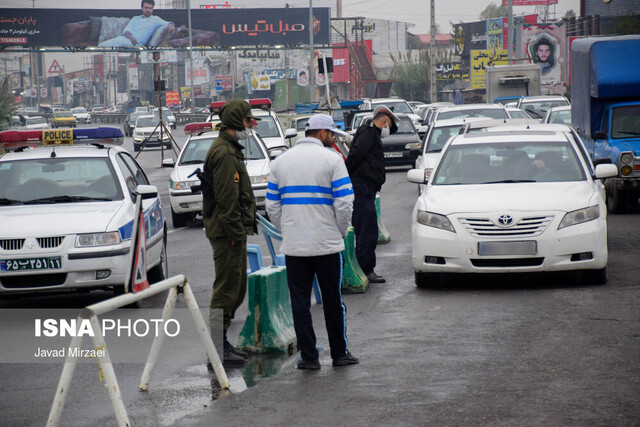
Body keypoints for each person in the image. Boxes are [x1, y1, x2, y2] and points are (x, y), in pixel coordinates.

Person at [266, 114, 358, 370]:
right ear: (321, 134)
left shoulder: (280, 162)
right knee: (332, 301)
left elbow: (272, 205)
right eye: (331, 135)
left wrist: (288, 231)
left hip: (295, 247)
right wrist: (340, 232)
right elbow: (344, 203)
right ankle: (339, 354)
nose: (333, 139)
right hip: (327, 245)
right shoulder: (333, 159)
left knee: (300, 302)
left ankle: (309, 358)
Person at [203, 99, 259, 365]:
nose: (252, 125)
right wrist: (237, 232)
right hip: (228, 233)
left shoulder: (231, 149)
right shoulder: (225, 153)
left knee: (236, 288)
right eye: (249, 121)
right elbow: (227, 201)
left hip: (233, 231)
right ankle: (216, 348)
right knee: (226, 289)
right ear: (237, 122)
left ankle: (221, 341)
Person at [345, 105, 398, 284]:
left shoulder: (370, 133)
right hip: (362, 188)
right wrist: (348, 176)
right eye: (389, 125)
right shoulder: (368, 133)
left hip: (365, 187)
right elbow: (355, 155)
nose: (388, 129)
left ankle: (365, 268)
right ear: (384, 121)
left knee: (368, 230)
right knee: (366, 231)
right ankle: (365, 270)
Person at [99, 0, 175, 47]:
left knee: (101, 45)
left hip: (137, 43)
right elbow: (126, 31)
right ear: (142, 8)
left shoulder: (155, 19)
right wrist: (131, 38)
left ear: (152, 9)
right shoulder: (135, 18)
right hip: (126, 39)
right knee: (103, 45)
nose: (148, 10)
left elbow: (168, 24)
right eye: (146, 8)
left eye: (150, 8)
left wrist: (171, 26)